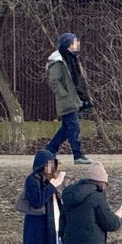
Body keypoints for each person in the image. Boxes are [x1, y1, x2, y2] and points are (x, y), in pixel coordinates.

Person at [45, 32, 92, 165]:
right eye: (74, 42)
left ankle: (49, 151)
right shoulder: (58, 61)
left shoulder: (71, 59)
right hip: (67, 100)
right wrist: (64, 94)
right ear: (68, 45)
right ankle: (78, 154)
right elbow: (54, 81)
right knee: (73, 127)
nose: (77, 45)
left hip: (74, 99)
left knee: (66, 128)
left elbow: (76, 81)